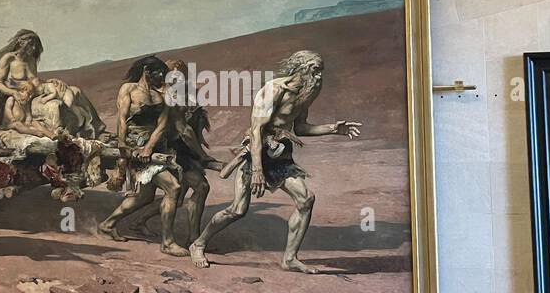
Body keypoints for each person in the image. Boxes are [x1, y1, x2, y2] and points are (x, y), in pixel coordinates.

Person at [189, 50, 360, 273]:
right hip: (257, 154)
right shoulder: (274, 90)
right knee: (238, 210)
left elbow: (299, 127)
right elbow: (257, 130)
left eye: (321, 72)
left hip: (281, 155)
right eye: (315, 70)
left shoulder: (305, 93)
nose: (319, 77)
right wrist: (258, 170)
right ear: (300, 67)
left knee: (306, 199)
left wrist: (332, 129)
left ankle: (290, 259)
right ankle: (199, 244)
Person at [98, 56, 189, 256]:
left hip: (154, 150)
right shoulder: (128, 89)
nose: (163, 78)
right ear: (147, 71)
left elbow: (162, 126)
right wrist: (123, 148)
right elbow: (122, 119)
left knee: (143, 197)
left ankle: (107, 224)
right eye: (160, 74)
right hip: (133, 148)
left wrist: (149, 147)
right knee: (174, 187)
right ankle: (168, 242)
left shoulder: (162, 96)